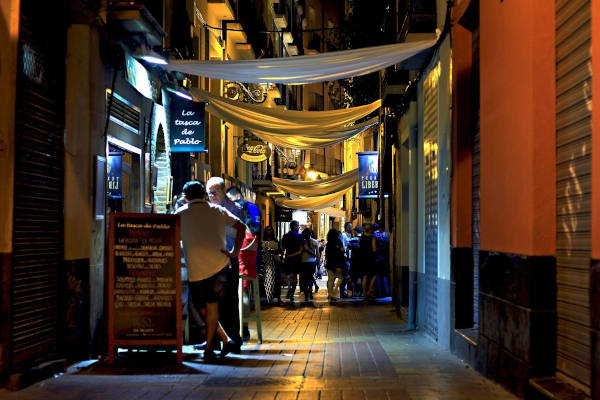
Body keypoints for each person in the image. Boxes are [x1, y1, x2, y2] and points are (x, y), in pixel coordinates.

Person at [176, 181, 245, 361]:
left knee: (202, 307)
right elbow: (241, 227)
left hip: (196, 269)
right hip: (220, 266)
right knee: (212, 304)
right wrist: (234, 252)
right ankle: (224, 339)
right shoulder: (217, 210)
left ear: (185, 198)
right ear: (204, 195)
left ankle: (210, 346)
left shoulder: (179, 214)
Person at [206, 177, 244, 352]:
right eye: (209, 193)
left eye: (215, 192)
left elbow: (238, 232)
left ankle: (234, 339)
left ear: (223, 191)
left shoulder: (234, 209)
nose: (212, 196)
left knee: (229, 300)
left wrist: (234, 252)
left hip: (228, 258)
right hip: (212, 259)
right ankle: (213, 339)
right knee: (212, 301)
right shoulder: (210, 210)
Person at [281, 220, 304, 302]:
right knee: (294, 277)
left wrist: (283, 257)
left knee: (288, 275)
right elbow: (301, 250)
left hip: (288, 258)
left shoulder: (285, 236)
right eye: (298, 226)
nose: (299, 227)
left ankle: (290, 289)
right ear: (294, 226)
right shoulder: (300, 236)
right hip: (296, 259)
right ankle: (292, 293)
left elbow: (283, 249)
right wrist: (293, 255)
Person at [261, 226, 281, 304]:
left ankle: (278, 298)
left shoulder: (276, 242)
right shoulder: (262, 242)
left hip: (275, 262)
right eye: (267, 230)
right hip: (265, 262)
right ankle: (268, 298)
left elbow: (278, 252)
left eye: (270, 230)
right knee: (267, 280)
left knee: (276, 280)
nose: (269, 231)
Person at [325, 228, 345, 301]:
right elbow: (342, 250)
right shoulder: (338, 241)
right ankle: (335, 292)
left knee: (331, 279)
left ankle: (330, 294)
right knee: (340, 278)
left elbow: (327, 253)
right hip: (337, 262)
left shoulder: (328, 243)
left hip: (330, 262)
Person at [372, 223, 391, 297]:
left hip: (377, 258)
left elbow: (374, 248)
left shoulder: (375, 236)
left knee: (378, 276)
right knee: (384, 276)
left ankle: (379, 293)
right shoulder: (387, 235)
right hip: (385, 257)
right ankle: (386, 292)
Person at [359, 223, 377, 300]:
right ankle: (369, 290)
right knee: (374, 274)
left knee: (365, 276)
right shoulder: (372, 238)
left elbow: (359, 246)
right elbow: (374, 249)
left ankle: (364, 294)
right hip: (370, 258)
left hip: (363, 258)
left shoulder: (361, 238)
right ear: (370, 230)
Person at [300, 228, 319, 302]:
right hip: (312, 262)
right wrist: (318, 263)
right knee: (310, 277)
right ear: (311, 234)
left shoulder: (302, 242)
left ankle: (306, 295)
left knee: (304, 279)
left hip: (304, 262)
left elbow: (301, 252)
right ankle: (310, 289)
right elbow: (317, 254)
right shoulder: (315, 242)